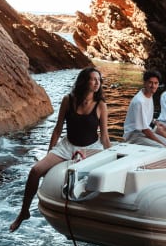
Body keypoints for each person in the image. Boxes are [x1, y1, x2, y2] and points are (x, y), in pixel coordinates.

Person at [9, 66, 110, 232]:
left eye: (99, 80)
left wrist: (111, 156)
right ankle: (24, 212)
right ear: (84, 81)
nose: (97, 83)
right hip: (67, 146)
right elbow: (57, 129)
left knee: (96, 180)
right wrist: (50, 153)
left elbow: (104, 136)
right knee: (35, 171)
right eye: (94, 79)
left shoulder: (100, 105)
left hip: (91, 148)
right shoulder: (68, 100)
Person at [123, 70, 166, 160]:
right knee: (165, 150)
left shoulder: (148, 95)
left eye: (156, 83)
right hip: (134, 136)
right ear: (145, 83)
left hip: (143, 132)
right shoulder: (139, 101)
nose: (153, 86)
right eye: (150, 83)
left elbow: (145, 118)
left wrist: (156, 122)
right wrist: (164, 145)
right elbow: (145, 130)